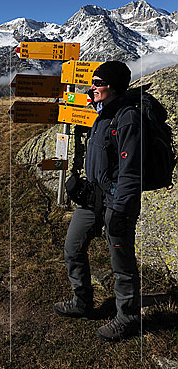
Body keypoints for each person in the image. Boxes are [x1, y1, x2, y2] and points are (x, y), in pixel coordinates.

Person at [53, 60, 145, 341]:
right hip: (93, 198)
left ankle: (127, 317)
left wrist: (119, 207)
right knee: (72, 247)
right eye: (92, 82)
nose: (92, 87)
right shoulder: (102, 113)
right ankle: (82, 302)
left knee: (122, 262)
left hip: (118, 203)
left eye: (98, 83)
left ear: (113, 86)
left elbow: (132, 172)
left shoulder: (128, 118)